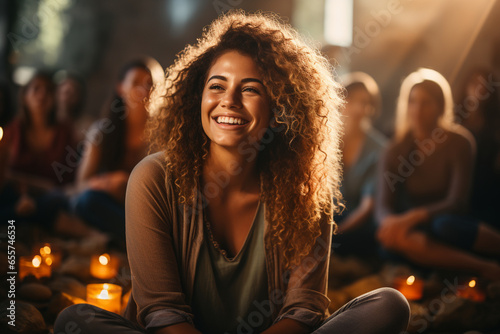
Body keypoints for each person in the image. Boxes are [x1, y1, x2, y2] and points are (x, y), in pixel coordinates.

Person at [55, 11, 409, 334]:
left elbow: (303, 310)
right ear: (198, 98)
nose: (229, 100)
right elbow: (162, 312)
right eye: (217, 86)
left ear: (277, 108)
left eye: (251, 89)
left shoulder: (305, 192)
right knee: (75, 320)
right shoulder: (153, 178)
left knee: (389, 305)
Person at [376, 68, 500, 280]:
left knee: (444, 226)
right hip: (414, 228)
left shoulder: (460, 142)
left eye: (426, 102)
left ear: (441, 106)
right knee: (391, 244)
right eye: (412, 102)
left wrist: (412, 217)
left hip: (450, 220)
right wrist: (390, 223)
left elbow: (457, 201)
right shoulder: (395, 148)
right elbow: (382, 205)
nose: (417, 109)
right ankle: (484, 267)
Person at [71, 58, 162, 242]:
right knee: (86, 201)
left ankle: (135, 240)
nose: (143, 90)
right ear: (121, 88)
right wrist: (110, 183)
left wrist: (130, 183)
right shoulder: (102, 132)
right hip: (109, 205)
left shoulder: (163, 137)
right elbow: (80, 186)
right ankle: (139, 241)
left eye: (149, 84)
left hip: (143, 211)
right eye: (135, 83)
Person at [0, 72, 90, 235]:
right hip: (18, 194)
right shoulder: (12, 130)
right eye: (36, 89)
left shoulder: (65, 131)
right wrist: (29, 191)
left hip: (53, 197)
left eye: (48, 90)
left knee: (57, 200)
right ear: (25, 96)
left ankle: (21, 216)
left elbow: (70, 181)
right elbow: (4, 174)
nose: (42, 95)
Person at [333, 72, 387, 256]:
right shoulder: (326, 141)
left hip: (359, 223)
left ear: (371, 108)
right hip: (327, 218)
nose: (357, 108)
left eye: (364, 103)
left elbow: (367, 208)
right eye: (351, 100)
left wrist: (334, 234)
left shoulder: (379, 149)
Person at [454, 69, 500, 226]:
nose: (479, 88)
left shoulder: (495, 131)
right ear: (466, 86)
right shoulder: (452, 124)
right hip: (450, 187)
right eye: (474, 83)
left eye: (484, 84)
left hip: (482, 193)